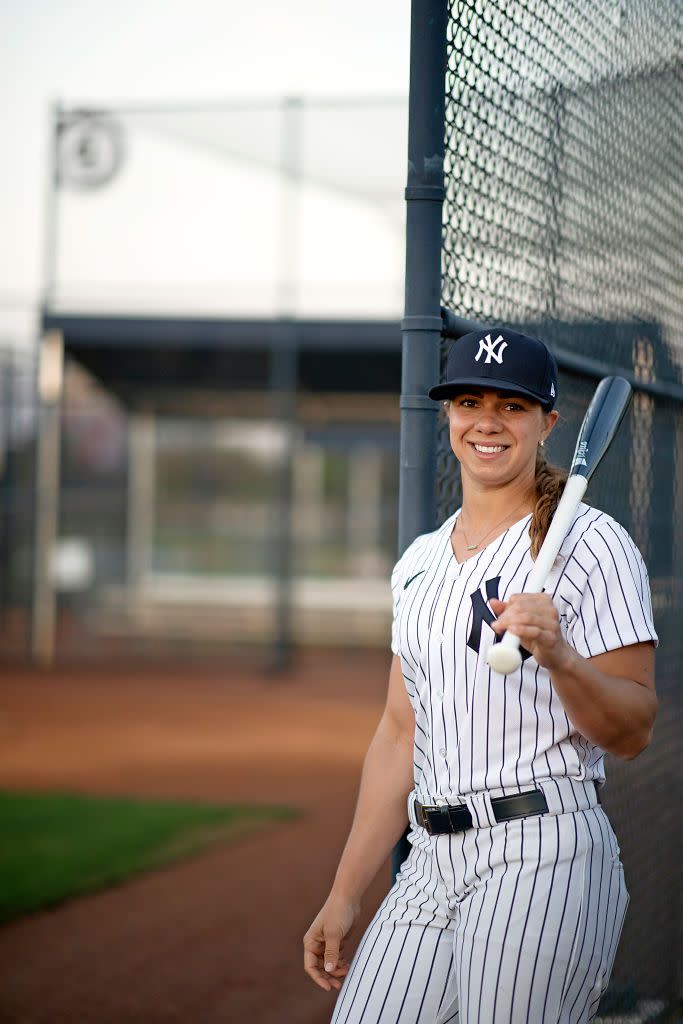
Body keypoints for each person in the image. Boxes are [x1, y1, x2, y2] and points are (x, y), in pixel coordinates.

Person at [303, 327, 658, 1024]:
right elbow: (399, 731)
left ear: (547, 422)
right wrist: (346, 892)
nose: (486, 421)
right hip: (429, 861)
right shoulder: (418, 563)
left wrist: (559, 657)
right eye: (468, 400)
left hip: (540, 849)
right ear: (447, 414)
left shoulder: (591, 543)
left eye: (512, 405)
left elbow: (632, 730)